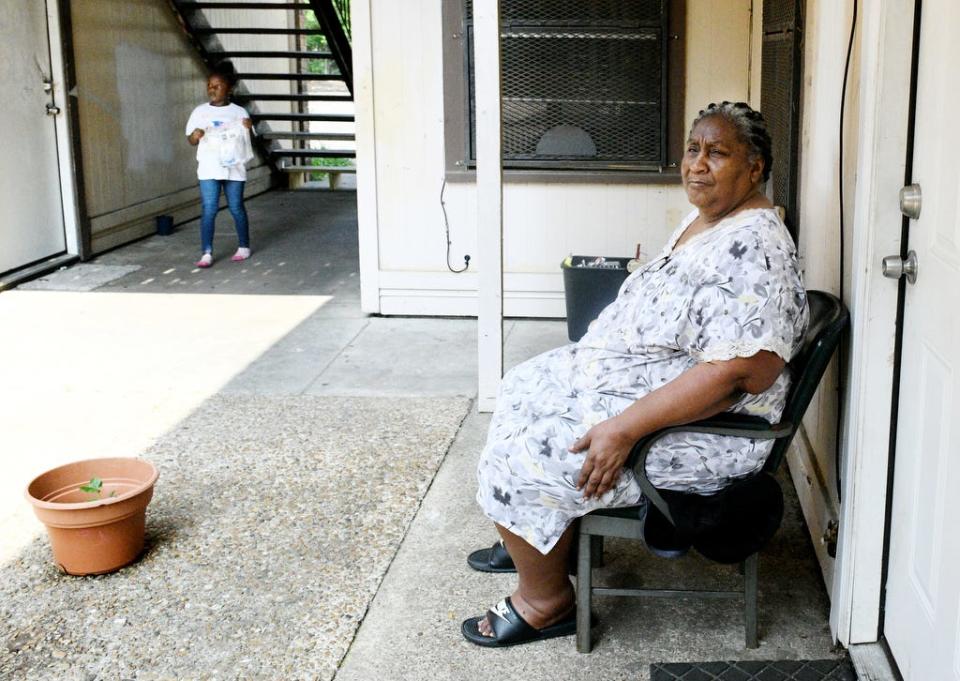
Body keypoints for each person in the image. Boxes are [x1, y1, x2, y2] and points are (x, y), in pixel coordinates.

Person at [462, 101, 809, 648]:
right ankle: (535, 535)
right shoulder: (710, 218)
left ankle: (544, 601)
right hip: (653, 391)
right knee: (521, 386)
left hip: (703, 433)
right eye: (692, 149)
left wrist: (624, 429)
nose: (697, 163)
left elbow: (744, 373)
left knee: (527, 452)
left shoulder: (758, 247)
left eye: (717, 153)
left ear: (755, 167)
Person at [185, 62, 254, 268]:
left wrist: (248, 128)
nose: (212, 89)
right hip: (209, 167)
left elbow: (246, 142)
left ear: (229, 88)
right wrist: (195, 136)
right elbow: (190, 139)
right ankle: (206, 252)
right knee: (209, 209)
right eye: (209, 85)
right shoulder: (199, 112)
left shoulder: (239, 112)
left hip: (234, 167)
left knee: (236, 207)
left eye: (217, 86)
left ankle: (244, 246)